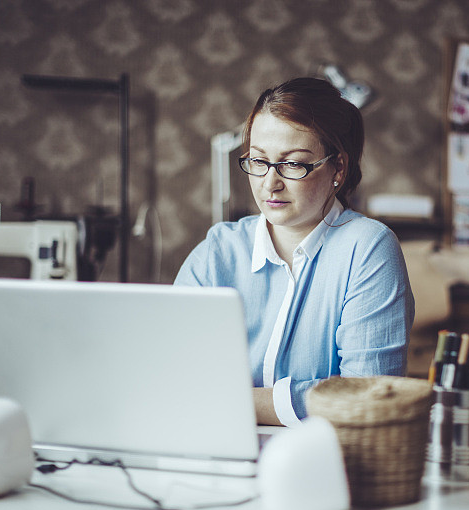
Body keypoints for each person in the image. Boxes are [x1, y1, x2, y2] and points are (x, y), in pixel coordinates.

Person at [174, 77, 414, 426]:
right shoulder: (218, 251)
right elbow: (171, 376)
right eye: (258, 161)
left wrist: (229, 400)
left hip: (326, 462)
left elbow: (367, 396)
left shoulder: (367, 249)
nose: (270, 182)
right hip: (216, 449)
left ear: (338, 168)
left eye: (293, 164)